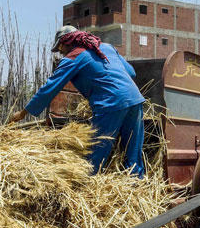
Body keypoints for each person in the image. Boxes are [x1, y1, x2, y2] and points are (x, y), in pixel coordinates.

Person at [8, 25, 146, 177]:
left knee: (96, 151)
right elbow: (131, 72)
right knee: (133, 152)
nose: (60, 52)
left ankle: (88, 187)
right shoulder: (106, 47)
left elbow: (50, 88)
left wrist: (23, 113)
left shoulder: (74, 57)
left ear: (66, 42)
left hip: (110, 103)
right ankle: (136, 183)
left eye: (60, 47)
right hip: (135, 99)